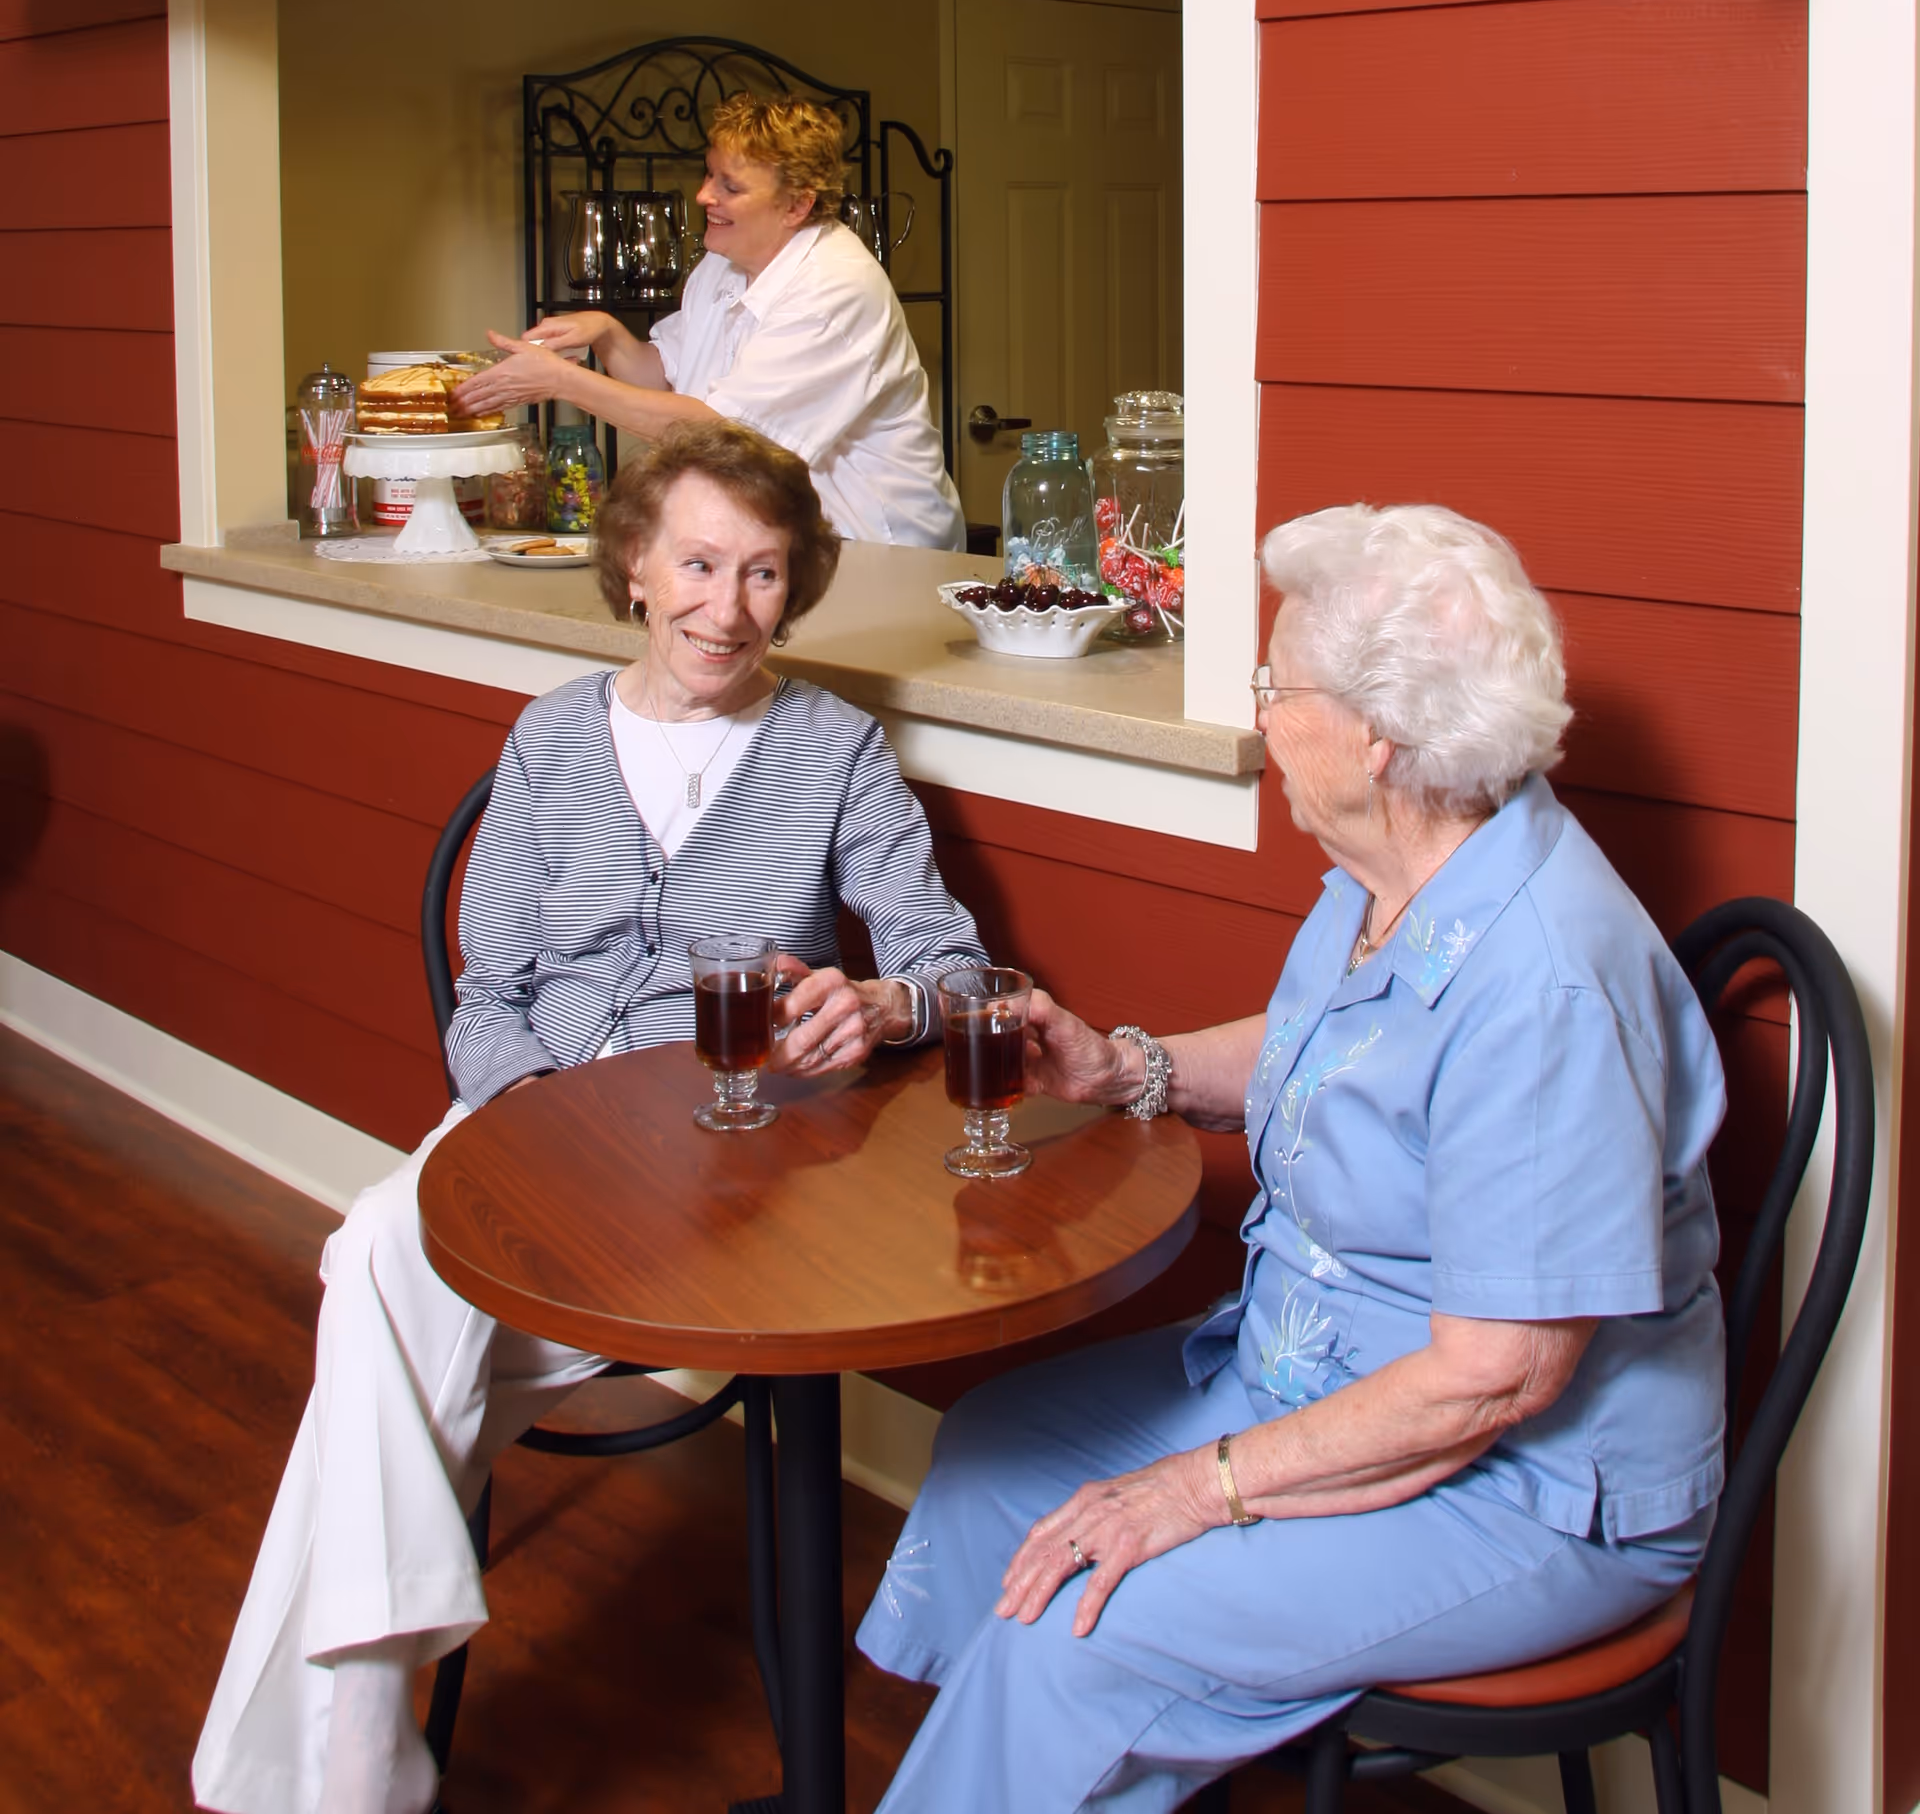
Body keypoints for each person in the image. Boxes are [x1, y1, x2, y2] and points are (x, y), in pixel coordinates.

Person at [856, 502, 1727, 1813]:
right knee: (990, 1460)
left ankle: (1026, 1747)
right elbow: (1335, 1045)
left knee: (1075, 1622)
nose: (1262, 715)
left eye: (1276, 686)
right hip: (1311, 1370)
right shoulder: (1403, 857)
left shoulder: (1548, 986)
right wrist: (1122, 1068)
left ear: (1375, 738)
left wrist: (1198, 1490)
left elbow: (1494, 1383)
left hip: (1528, 1490)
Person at [193, 421, 986, 1814]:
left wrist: (883, 1007)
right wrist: (539, 1118)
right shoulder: (550, 736)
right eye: (694, 564)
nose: (723, 609)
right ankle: (359, 1749)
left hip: (724, 1154)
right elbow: (486, 997)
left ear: (792, 588)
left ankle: (349, 1757)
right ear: (632, 567)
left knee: (374, 1291)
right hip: (539, 1117)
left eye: (760, 574)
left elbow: (952, 963)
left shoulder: (834, 748)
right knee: (384, 1244)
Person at [453, 92, 964, 548]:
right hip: (775, 539)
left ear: (797, 204)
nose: (703, 196)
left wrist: (563, 381)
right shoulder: (722, 264)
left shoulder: (834, 289)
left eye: (730, 187)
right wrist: (605, 333)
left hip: (877, 551)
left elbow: (724, 440)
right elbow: (664, 373)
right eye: (708, 173)